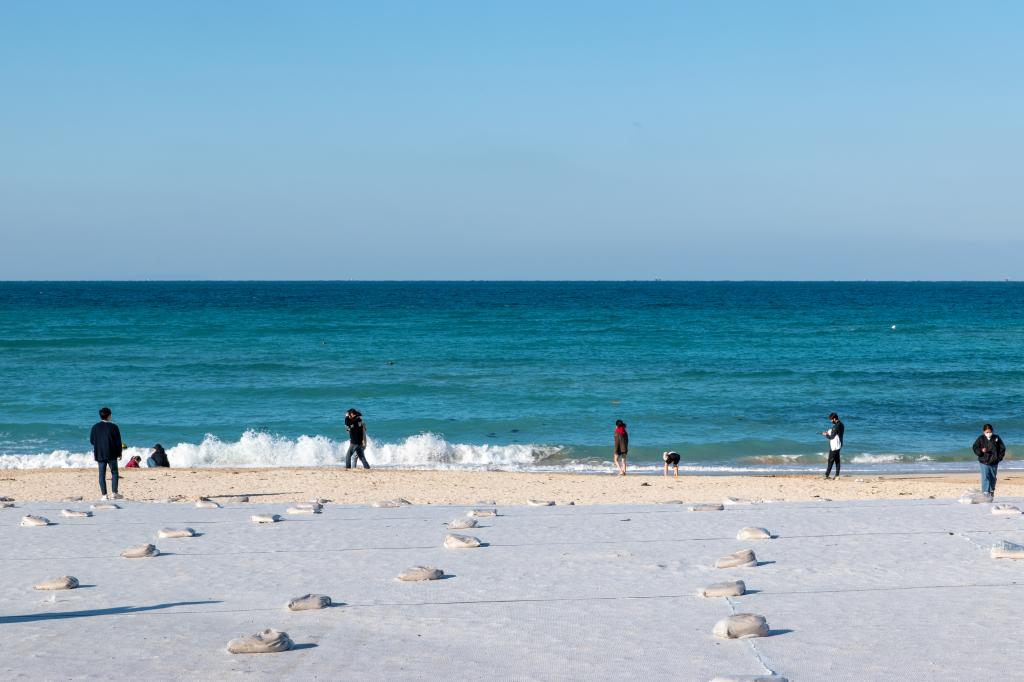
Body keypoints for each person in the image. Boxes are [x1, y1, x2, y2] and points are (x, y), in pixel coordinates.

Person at [89, 406, 124, 499]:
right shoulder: (114, 427)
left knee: (101, 475)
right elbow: (118, 442)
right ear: (109, 416)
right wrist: (120, 453)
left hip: (100, 453)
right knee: (114, 473)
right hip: (112, 453)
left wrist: (99, 445)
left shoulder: (95, 427)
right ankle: (114, 493)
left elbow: (92, 441)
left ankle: (104, 495)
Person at [972, 423, 1006, 496]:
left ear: (992, 431)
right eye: (987, 432)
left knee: (993, 477)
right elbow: (975, 447)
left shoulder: (996, 438)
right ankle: (985, 492)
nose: (988, 433)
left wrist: (999, 458)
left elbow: (1002, 448)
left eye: (990, 432)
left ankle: (991, 490)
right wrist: (981, 451)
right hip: (983, 461)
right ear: (984, 432)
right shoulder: (980, 438)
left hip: (994, 461)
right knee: (985, 477)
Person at [821, 412, 844, 480]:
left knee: (830, 460)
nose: (831, 421)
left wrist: (826, 434)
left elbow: (831, 437)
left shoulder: (836, 426)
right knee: (837, 460)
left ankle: (826, 475)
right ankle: (837, 476)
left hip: (835, 446)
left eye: (831, 420)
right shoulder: (841, 424)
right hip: (839, 444)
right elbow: (837, 434)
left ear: (834, 418)